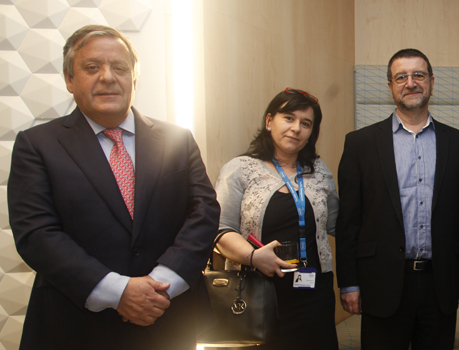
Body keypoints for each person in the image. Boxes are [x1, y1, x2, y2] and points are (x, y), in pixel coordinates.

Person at [7, 25, 220, 349]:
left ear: (134, 79)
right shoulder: (37, 145)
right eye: (92, 67)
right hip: (72, 327)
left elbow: (204, 212)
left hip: (168, 320)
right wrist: (118, 292)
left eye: (119, 68)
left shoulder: (178, 139)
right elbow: (35, 233)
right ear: (69, 79)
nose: (107, 76)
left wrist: (160, 284)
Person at [336, 48, 459, 350]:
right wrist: (349, 283)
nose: (410, 83)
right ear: (390, 86)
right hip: (381, 282)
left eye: (419, 75)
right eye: (401, 76)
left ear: (431, 81)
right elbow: (349, 221)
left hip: (440, 283)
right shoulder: (360, 144)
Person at [214, 88, 339, 349]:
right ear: (269, 121)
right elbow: (220, 230)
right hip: (257, 290)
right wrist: (253, 256)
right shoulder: (240, 169)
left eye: (306, 124)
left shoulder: (319, 172)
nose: (296, 128)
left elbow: (338, 224)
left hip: (313, 293)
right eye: (289, 118)